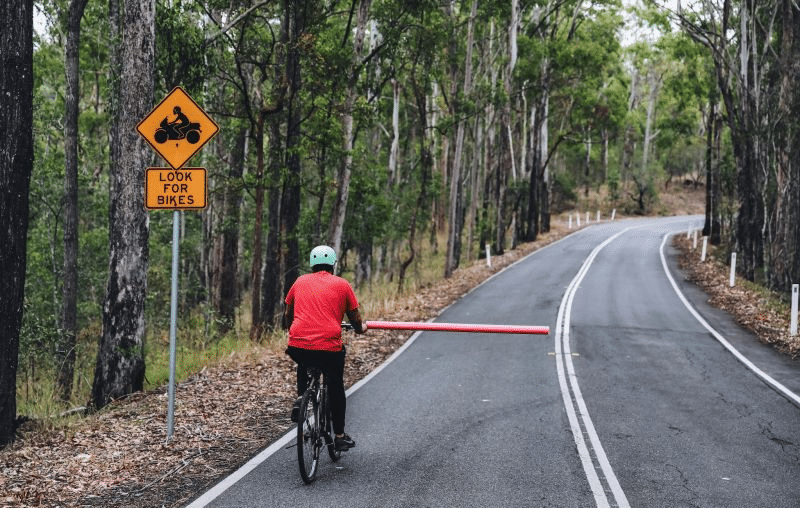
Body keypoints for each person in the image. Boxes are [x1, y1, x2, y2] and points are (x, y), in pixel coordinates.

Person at [283, 245, 367, 451]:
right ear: (333, 264)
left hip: (298, 342)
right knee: (335, 384)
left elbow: (288, 312)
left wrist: (292, 330)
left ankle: (302, 398)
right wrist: (360, 328)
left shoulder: (299, 281)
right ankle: (339, 435)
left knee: (304, 359)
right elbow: (355, 317)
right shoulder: (342, 284)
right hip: (329, 346)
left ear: (312, 264)